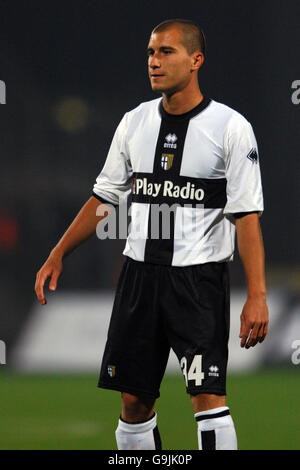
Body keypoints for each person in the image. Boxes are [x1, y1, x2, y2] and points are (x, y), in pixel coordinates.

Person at [35, 19, 269, 450]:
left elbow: (247, 217)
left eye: (166, 52)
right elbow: (104, 197)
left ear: (196, 60)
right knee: (133, 401)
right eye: (150, 53)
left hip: (198, 282)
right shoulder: (134, 122)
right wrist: (58, 252)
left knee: (208, 397)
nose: (154, 62)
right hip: (139, 279)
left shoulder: (231, 127)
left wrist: (257, 294)